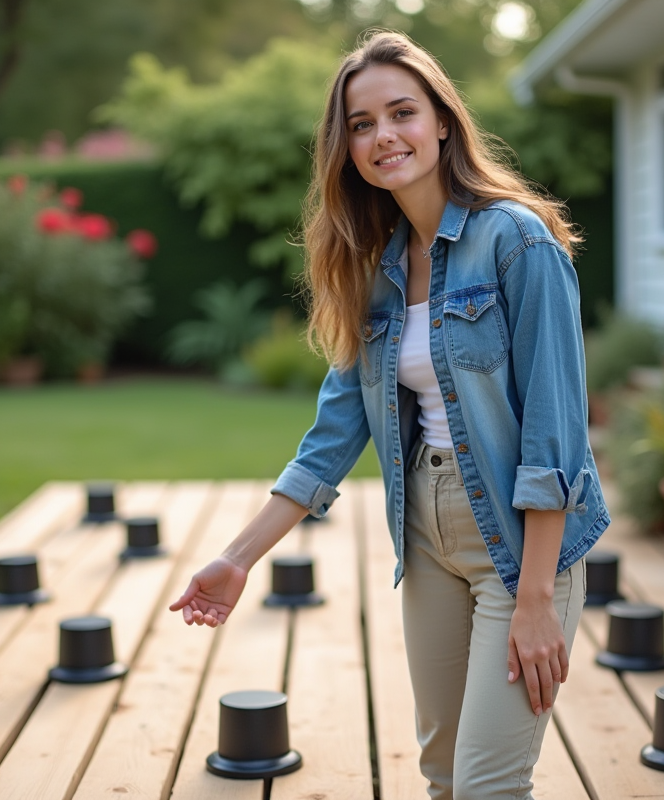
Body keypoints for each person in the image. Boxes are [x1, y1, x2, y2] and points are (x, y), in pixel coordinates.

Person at [170, 29, 609, 800]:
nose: (384, 136)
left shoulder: (516, 241)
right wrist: (238, 559)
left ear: (442, 120)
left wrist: (538, 598)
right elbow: (332, 436)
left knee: (488, 786)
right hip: (425, 540)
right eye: (362, 124)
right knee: (443, 777)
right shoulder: (377, 268)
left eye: (402, 112)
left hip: (519, 544)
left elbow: (556, 437)